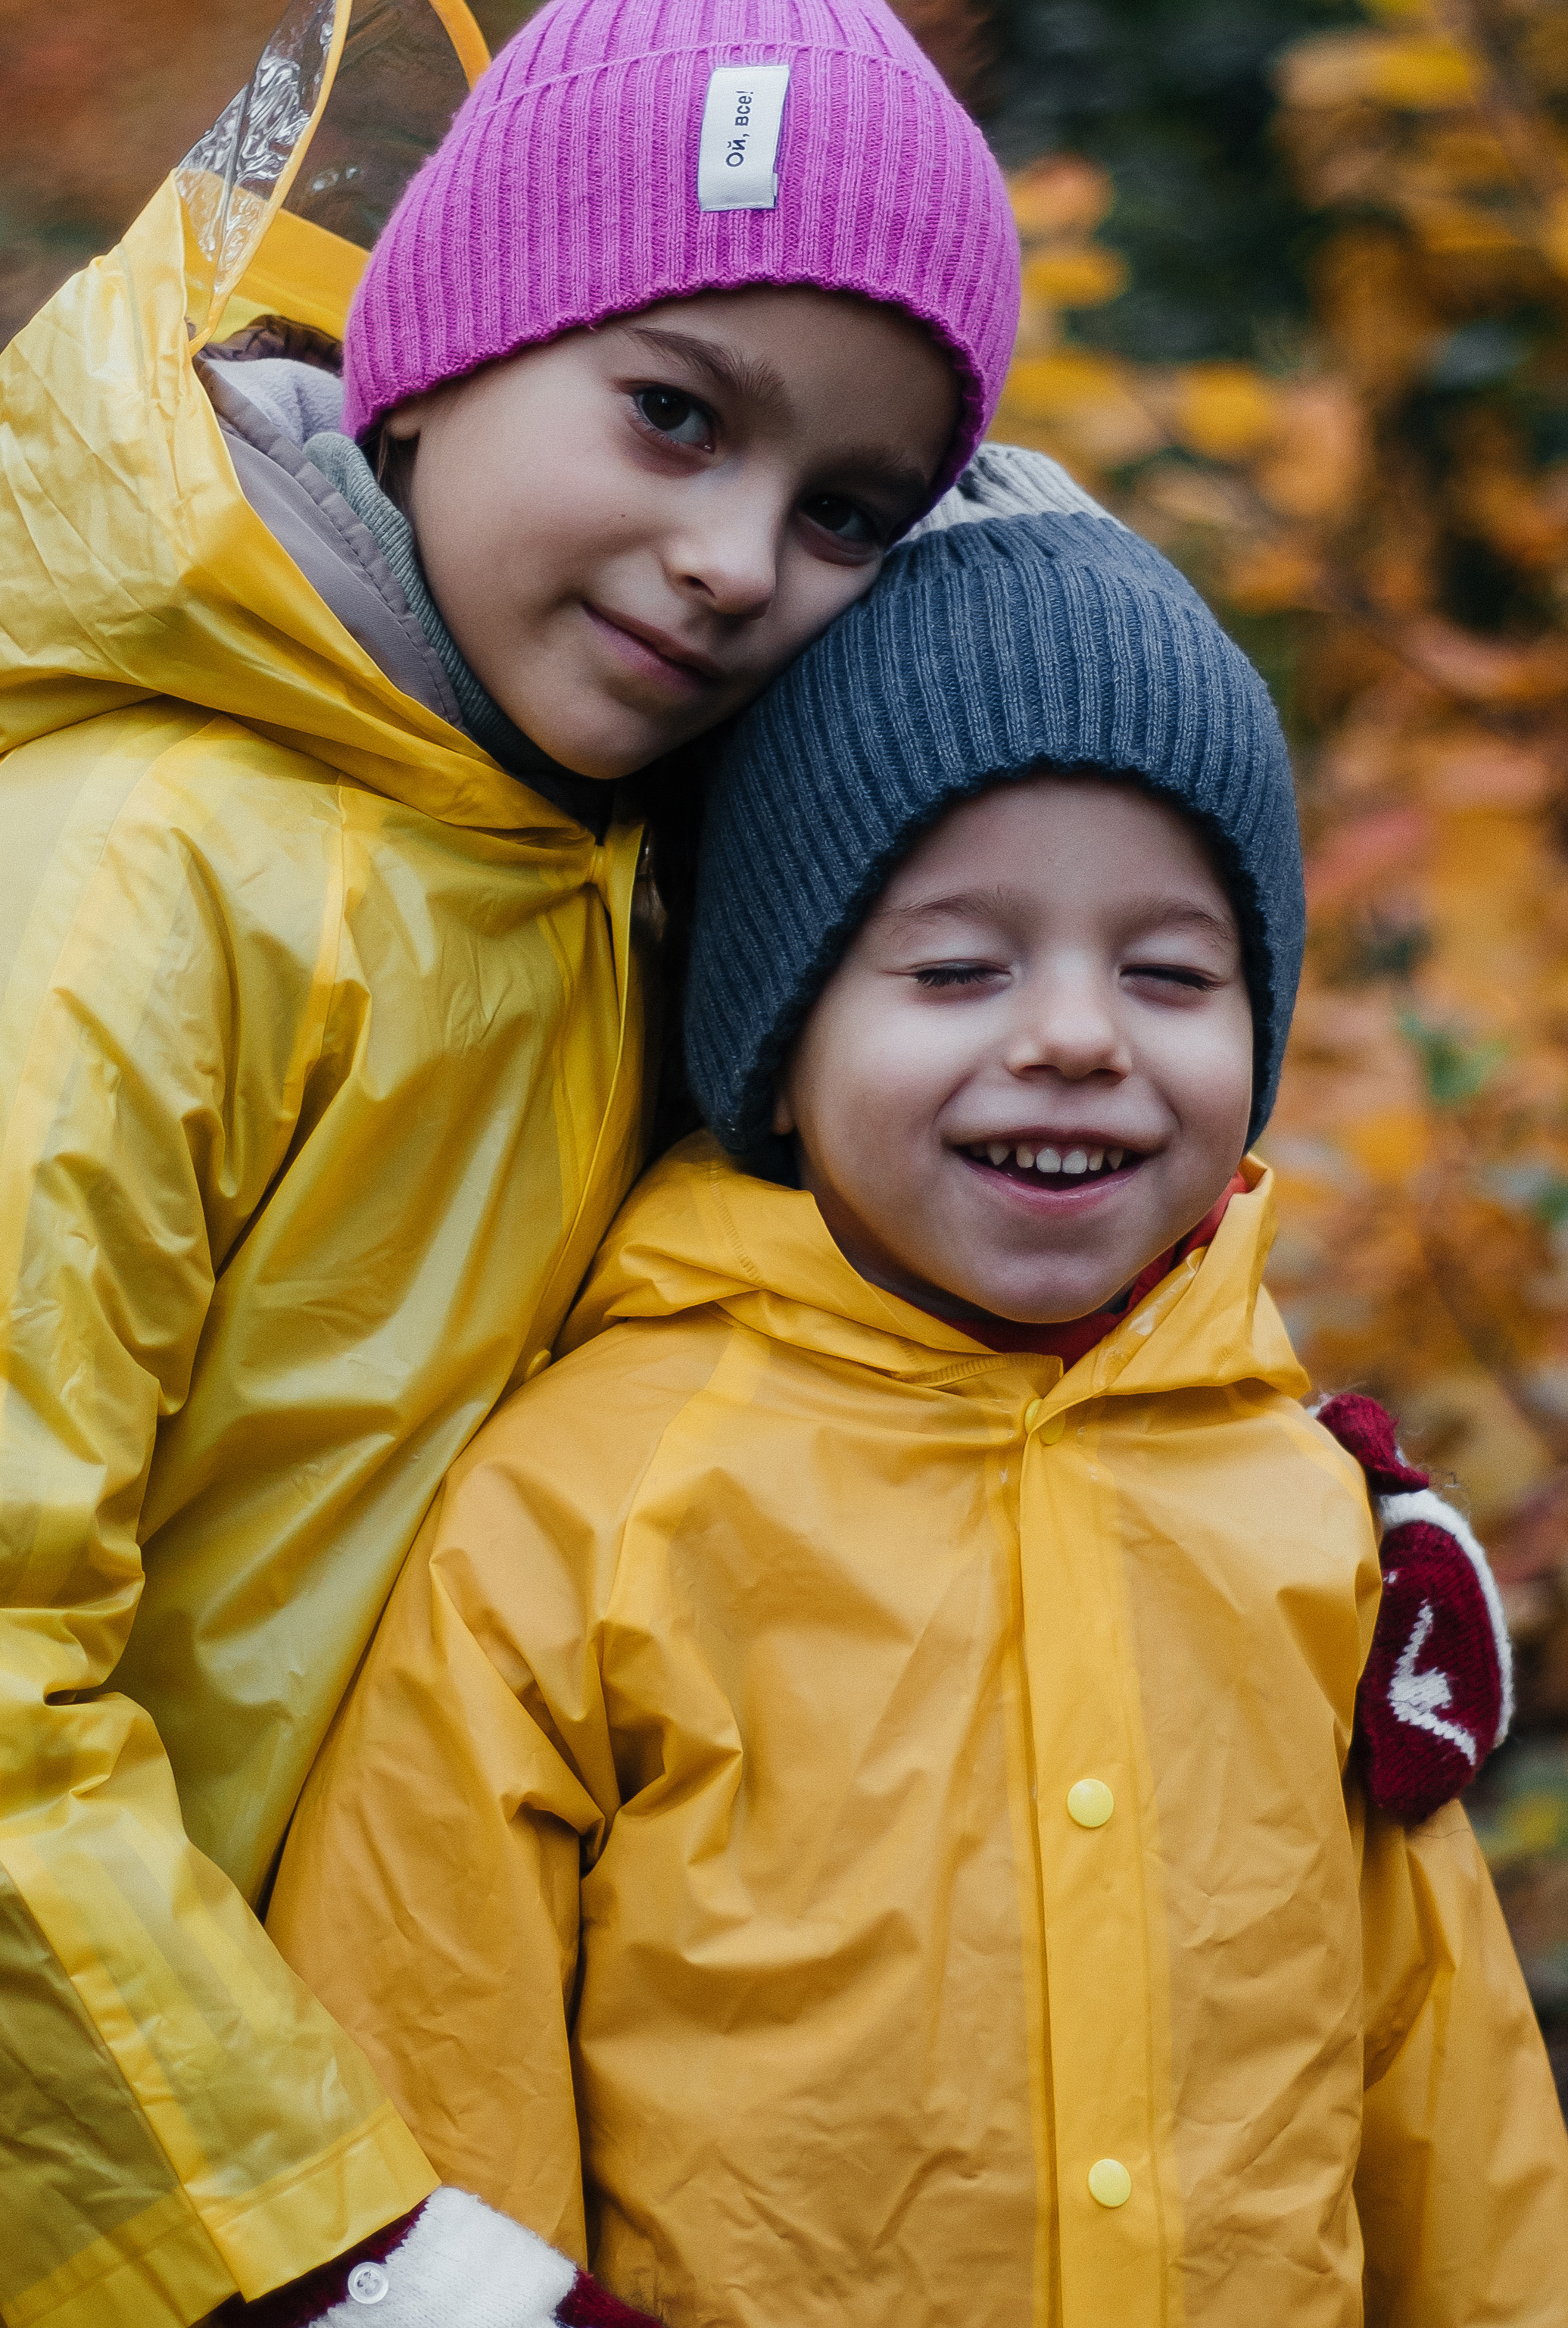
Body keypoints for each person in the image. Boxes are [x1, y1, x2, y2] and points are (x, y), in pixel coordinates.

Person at [0, 0, 1020, 2328]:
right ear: (444, 357)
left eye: (849, 513)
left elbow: (795, 1363)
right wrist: (315, 2243)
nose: (737, 559)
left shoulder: (607, 884)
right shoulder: (103, 905)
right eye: (678, 415)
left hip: (288, 2122)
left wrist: (1249, 1524)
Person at [269, 476, 1568, 2327]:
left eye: (1170, 972)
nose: (1070, 1034)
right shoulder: (590, 1506)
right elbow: (423, 2030)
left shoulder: (1306, 1518)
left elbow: (1443, 2074)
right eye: (954, 967)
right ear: (777, 1054)